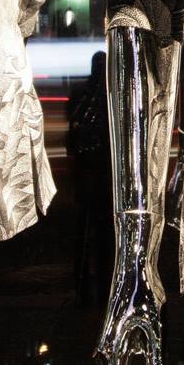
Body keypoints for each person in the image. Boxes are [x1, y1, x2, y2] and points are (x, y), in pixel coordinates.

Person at [66, 52, 112, 304]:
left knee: (89, 236)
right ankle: (96, 286)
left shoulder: (83, 95)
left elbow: (72, 136)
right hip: (99, 177)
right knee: (99, 236)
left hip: (91, 177)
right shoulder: (107, 97)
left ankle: (86, 287)